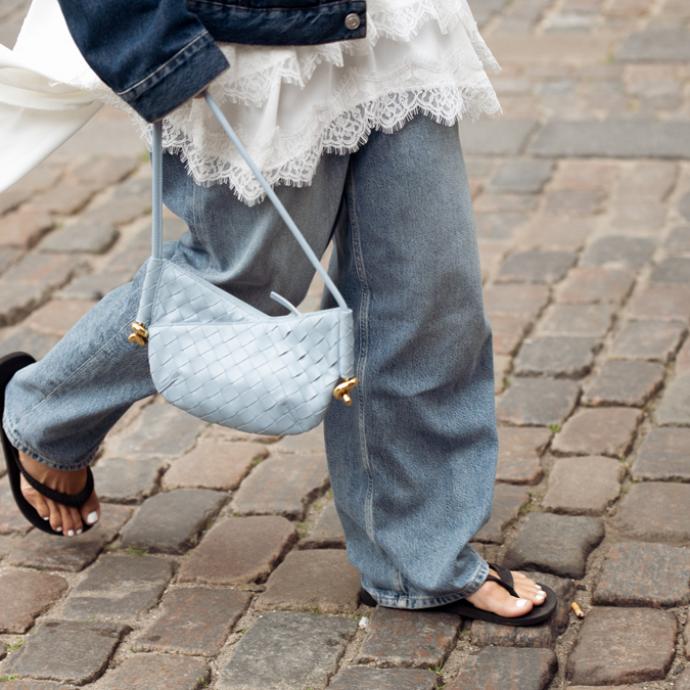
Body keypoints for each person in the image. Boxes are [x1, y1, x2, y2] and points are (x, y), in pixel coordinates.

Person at [0, 0, 555, 623]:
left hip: (395, 23)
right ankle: (44, 413)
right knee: (235, 289)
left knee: (427, 291)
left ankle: (417, 559)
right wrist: (149, 44)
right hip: (250, 40)